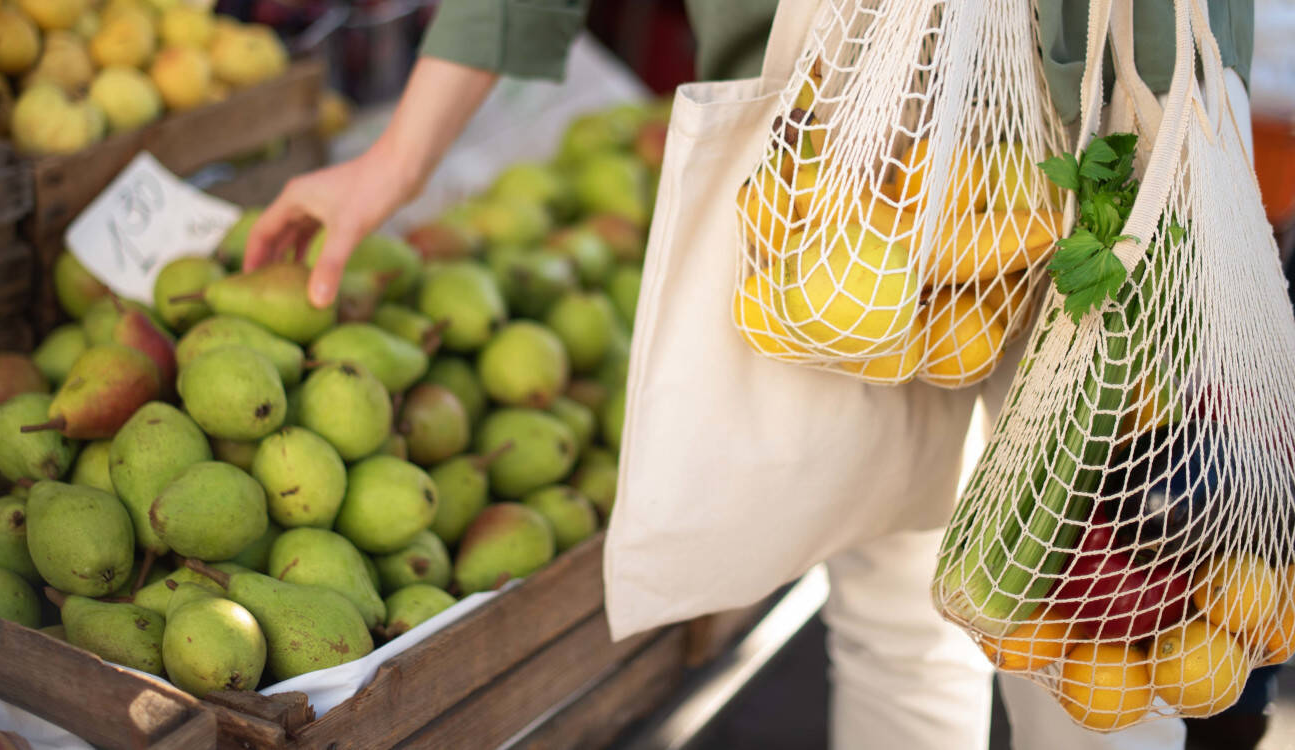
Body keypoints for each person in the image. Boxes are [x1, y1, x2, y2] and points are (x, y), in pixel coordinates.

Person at [243, 2, 1258, 748]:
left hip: (1110, 112)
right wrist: (397, 159)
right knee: (896, 600)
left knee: (1101, 642)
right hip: (844, 151)